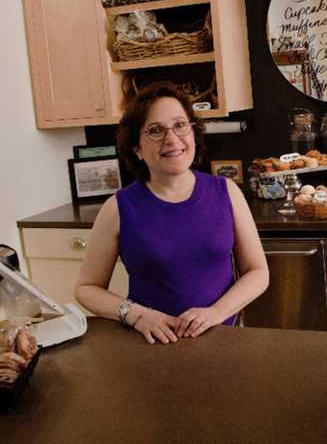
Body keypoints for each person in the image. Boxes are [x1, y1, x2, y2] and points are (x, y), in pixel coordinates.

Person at [75, 83, 269, 345]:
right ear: (137, 149)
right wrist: (136, 315)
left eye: (180, 125)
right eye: (155, 131)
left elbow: (257, 272)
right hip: (151, 343)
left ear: (193, 131)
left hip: (223, 338)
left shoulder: (227, 192)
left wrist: (216, 313)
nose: (172, 139)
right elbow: (87, 289)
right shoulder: (117, 208)